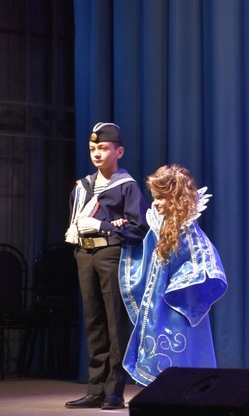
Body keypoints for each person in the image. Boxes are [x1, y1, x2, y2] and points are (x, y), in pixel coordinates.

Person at [117, 164, 227, 386]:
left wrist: (178, 285)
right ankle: (162, 390)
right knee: (157, 344)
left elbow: (202, 261)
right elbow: (148, 255)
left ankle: (183, 390)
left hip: (177, 301)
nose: (155, 203)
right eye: (154, 197)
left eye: (161, 198)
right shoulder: (159, 225)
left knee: (180, 347)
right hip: (158, 301)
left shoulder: (187, 229)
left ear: (175, 198)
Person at [64, 122, 148, 410]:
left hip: (111, 254)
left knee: (115, 322)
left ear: (119, 152)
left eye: (102, 148)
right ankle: (95, 389)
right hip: (85, 254)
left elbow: (139, 228)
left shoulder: (126, 186)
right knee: (94, 322)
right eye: (92, 149)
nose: (96, 154)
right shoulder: (83, 186)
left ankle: (114, 390)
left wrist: (104, 226)